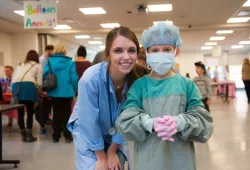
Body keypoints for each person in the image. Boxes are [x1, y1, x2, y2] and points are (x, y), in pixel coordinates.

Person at [115, 23, 214, 170]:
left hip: (181, 161)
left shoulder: (186, 85)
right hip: (148, 161)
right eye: (155, 50)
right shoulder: (140, 87)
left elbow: (204, 125)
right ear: (147, 54)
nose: (160, 53)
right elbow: (125, 122)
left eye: (166, 49)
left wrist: (181, 122)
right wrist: (149, 124)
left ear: (176, 51)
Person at [67, 26, 147, 170]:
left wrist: (112, 150)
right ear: (108, 54)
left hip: (117, 134)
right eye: (118, 50)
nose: (126, 56)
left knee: (118, 165)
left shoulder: (137, 81)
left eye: (131, 50)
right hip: (88, 133)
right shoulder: (90, 79)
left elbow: (127, 120)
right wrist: (101, 156)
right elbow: (89, 122)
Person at [43, 44, 78, 143]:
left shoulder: (49, 61)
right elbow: (74, 78)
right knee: (67, 114)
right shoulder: (70, 62)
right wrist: (75, 89)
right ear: (65, 52)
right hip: (67, 92)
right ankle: (67, 136)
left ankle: (56, 136)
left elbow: (45, 75)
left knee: (56, 113)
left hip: (54, 92)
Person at [12, 50, 42, 142]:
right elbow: (40, 82)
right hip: (28, 86)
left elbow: (13, 77)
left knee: (20, 113)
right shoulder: (37, 65)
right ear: (36, 58)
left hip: (16, 86)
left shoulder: (20, 64)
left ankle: (23, 136)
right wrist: (39, 93)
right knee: (29, 112)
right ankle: (29, 136)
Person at [40, 45, 54, 124]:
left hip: (46, 82)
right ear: (48, 50)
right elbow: (43, 72)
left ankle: (46, 117)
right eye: (52, 51)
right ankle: (45, 118)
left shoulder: (47, 58)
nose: (52, 53)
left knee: (48, 102)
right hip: (45, 82)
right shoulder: (43, 59)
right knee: (46, 101)